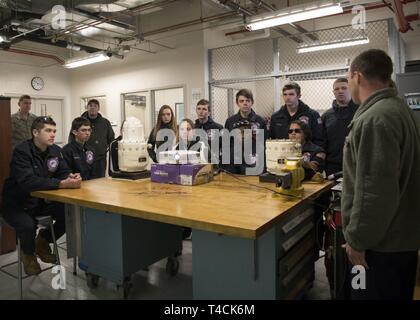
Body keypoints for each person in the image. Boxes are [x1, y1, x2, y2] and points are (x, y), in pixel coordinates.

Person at [342, 49, 420, 300]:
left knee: (365, 293)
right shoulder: (399, 109)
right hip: (400, 240)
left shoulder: (374, 119)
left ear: (357, 76)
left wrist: (356, 240)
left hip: (377, 247)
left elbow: (374, 191)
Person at [1, 116, 81, 275]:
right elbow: (28, 181)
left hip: (40, 202)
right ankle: (28, 254)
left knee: (69, 214)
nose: (52, 134)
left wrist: (71, 177)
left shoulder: (55, 150)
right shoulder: (22, 151)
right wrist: (60, 184)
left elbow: (63, 171)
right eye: (48, 130)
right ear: (35, 132)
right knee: (27, 225)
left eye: (54, 131)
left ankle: (43, 240)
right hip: (17, 203)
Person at [224, 89, 267, 175]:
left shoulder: (260, 121)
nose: (245, 103)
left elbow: (264, 143)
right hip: (234, 161)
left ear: (252, 102)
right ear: (237, 103)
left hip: (253, 160)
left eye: (248, 100)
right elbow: (227, 143)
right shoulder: (230, 121)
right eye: (241, 101)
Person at [321, 78, 358, 176]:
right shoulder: (326, 116)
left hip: (356, 163)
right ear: (333, 92)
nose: (340, 91)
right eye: (337, 89)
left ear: (350, 89)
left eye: (344, 88)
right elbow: (322, 141)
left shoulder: (360, 111)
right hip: (333, 165)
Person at [269, 82, 324, 147]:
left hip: (306, 154)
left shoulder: (312, 115)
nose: (288, 97)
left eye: (291, 94)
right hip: (283, 154)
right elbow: (272, 139)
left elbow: (319, 139)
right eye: (285, 94)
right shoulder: (276, 117)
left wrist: (316, 153)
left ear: (298, 96)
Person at [76, 99, 114, 178]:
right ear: (87, 107)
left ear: (98, 108)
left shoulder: (105, 122)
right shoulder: (79, 122)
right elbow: (72, 138)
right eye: (90, 106)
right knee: (85, 181)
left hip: (100, 159)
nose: (92, 108)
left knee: (100, 182)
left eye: (95, 106)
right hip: (83, 158)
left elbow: (111, 138)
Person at [194, 99, 223, 164]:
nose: (201, 112)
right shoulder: (193, 128)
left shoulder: (218, 128)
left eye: (204, 109)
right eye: (198, 109)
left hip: (212, 163)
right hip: (196, 162)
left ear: (209, 112)